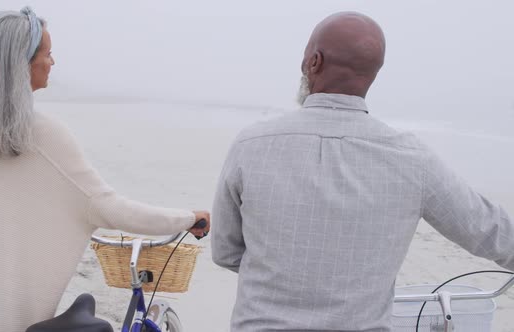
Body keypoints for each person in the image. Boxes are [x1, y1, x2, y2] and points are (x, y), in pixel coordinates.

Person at [211, 11, 514, 331]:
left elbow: (226, 252)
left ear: (313, 62)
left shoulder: (252, 144)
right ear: (373, 74)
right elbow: (490, 230)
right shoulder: (412, 158)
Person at [0, 7, 210, 332]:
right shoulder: (42, 134)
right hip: (2, 303)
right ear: (18, 65)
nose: (53, 62)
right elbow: (107, 207)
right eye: (47, 53)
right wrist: (187, 217)